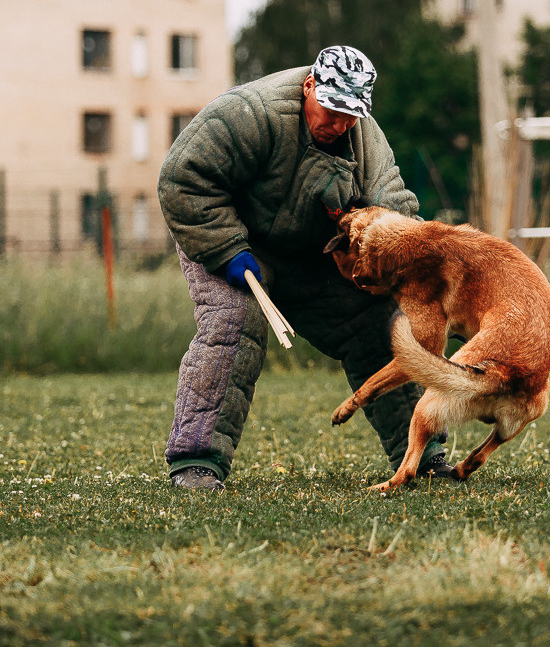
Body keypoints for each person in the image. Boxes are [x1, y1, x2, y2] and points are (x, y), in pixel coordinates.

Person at [157, 45, 452, 490]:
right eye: (332, 110)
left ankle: (423, 454)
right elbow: (182, 180)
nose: (340, 124)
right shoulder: (247, 114)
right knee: (235, 322)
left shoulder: (363, 138)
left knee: (377, 327)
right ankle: (197, 461)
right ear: (309, 86)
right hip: (231, 242)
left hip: (310, 252)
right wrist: (226, 248)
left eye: (352, 114)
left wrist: (421, 275)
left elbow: (391, 206)